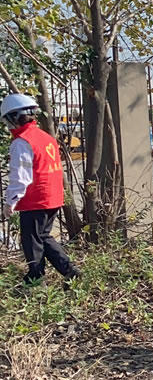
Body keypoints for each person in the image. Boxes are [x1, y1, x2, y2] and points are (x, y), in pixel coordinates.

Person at [2, 93, 79, 284]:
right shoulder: (45, 137)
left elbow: (21, 177)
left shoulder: (21, 142)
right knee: (42, 236)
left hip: (35, 199)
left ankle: (36, 278)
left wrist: (10, 201)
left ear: (14, 117)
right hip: (52, 196)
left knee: (32, 241)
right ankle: (69, 271)